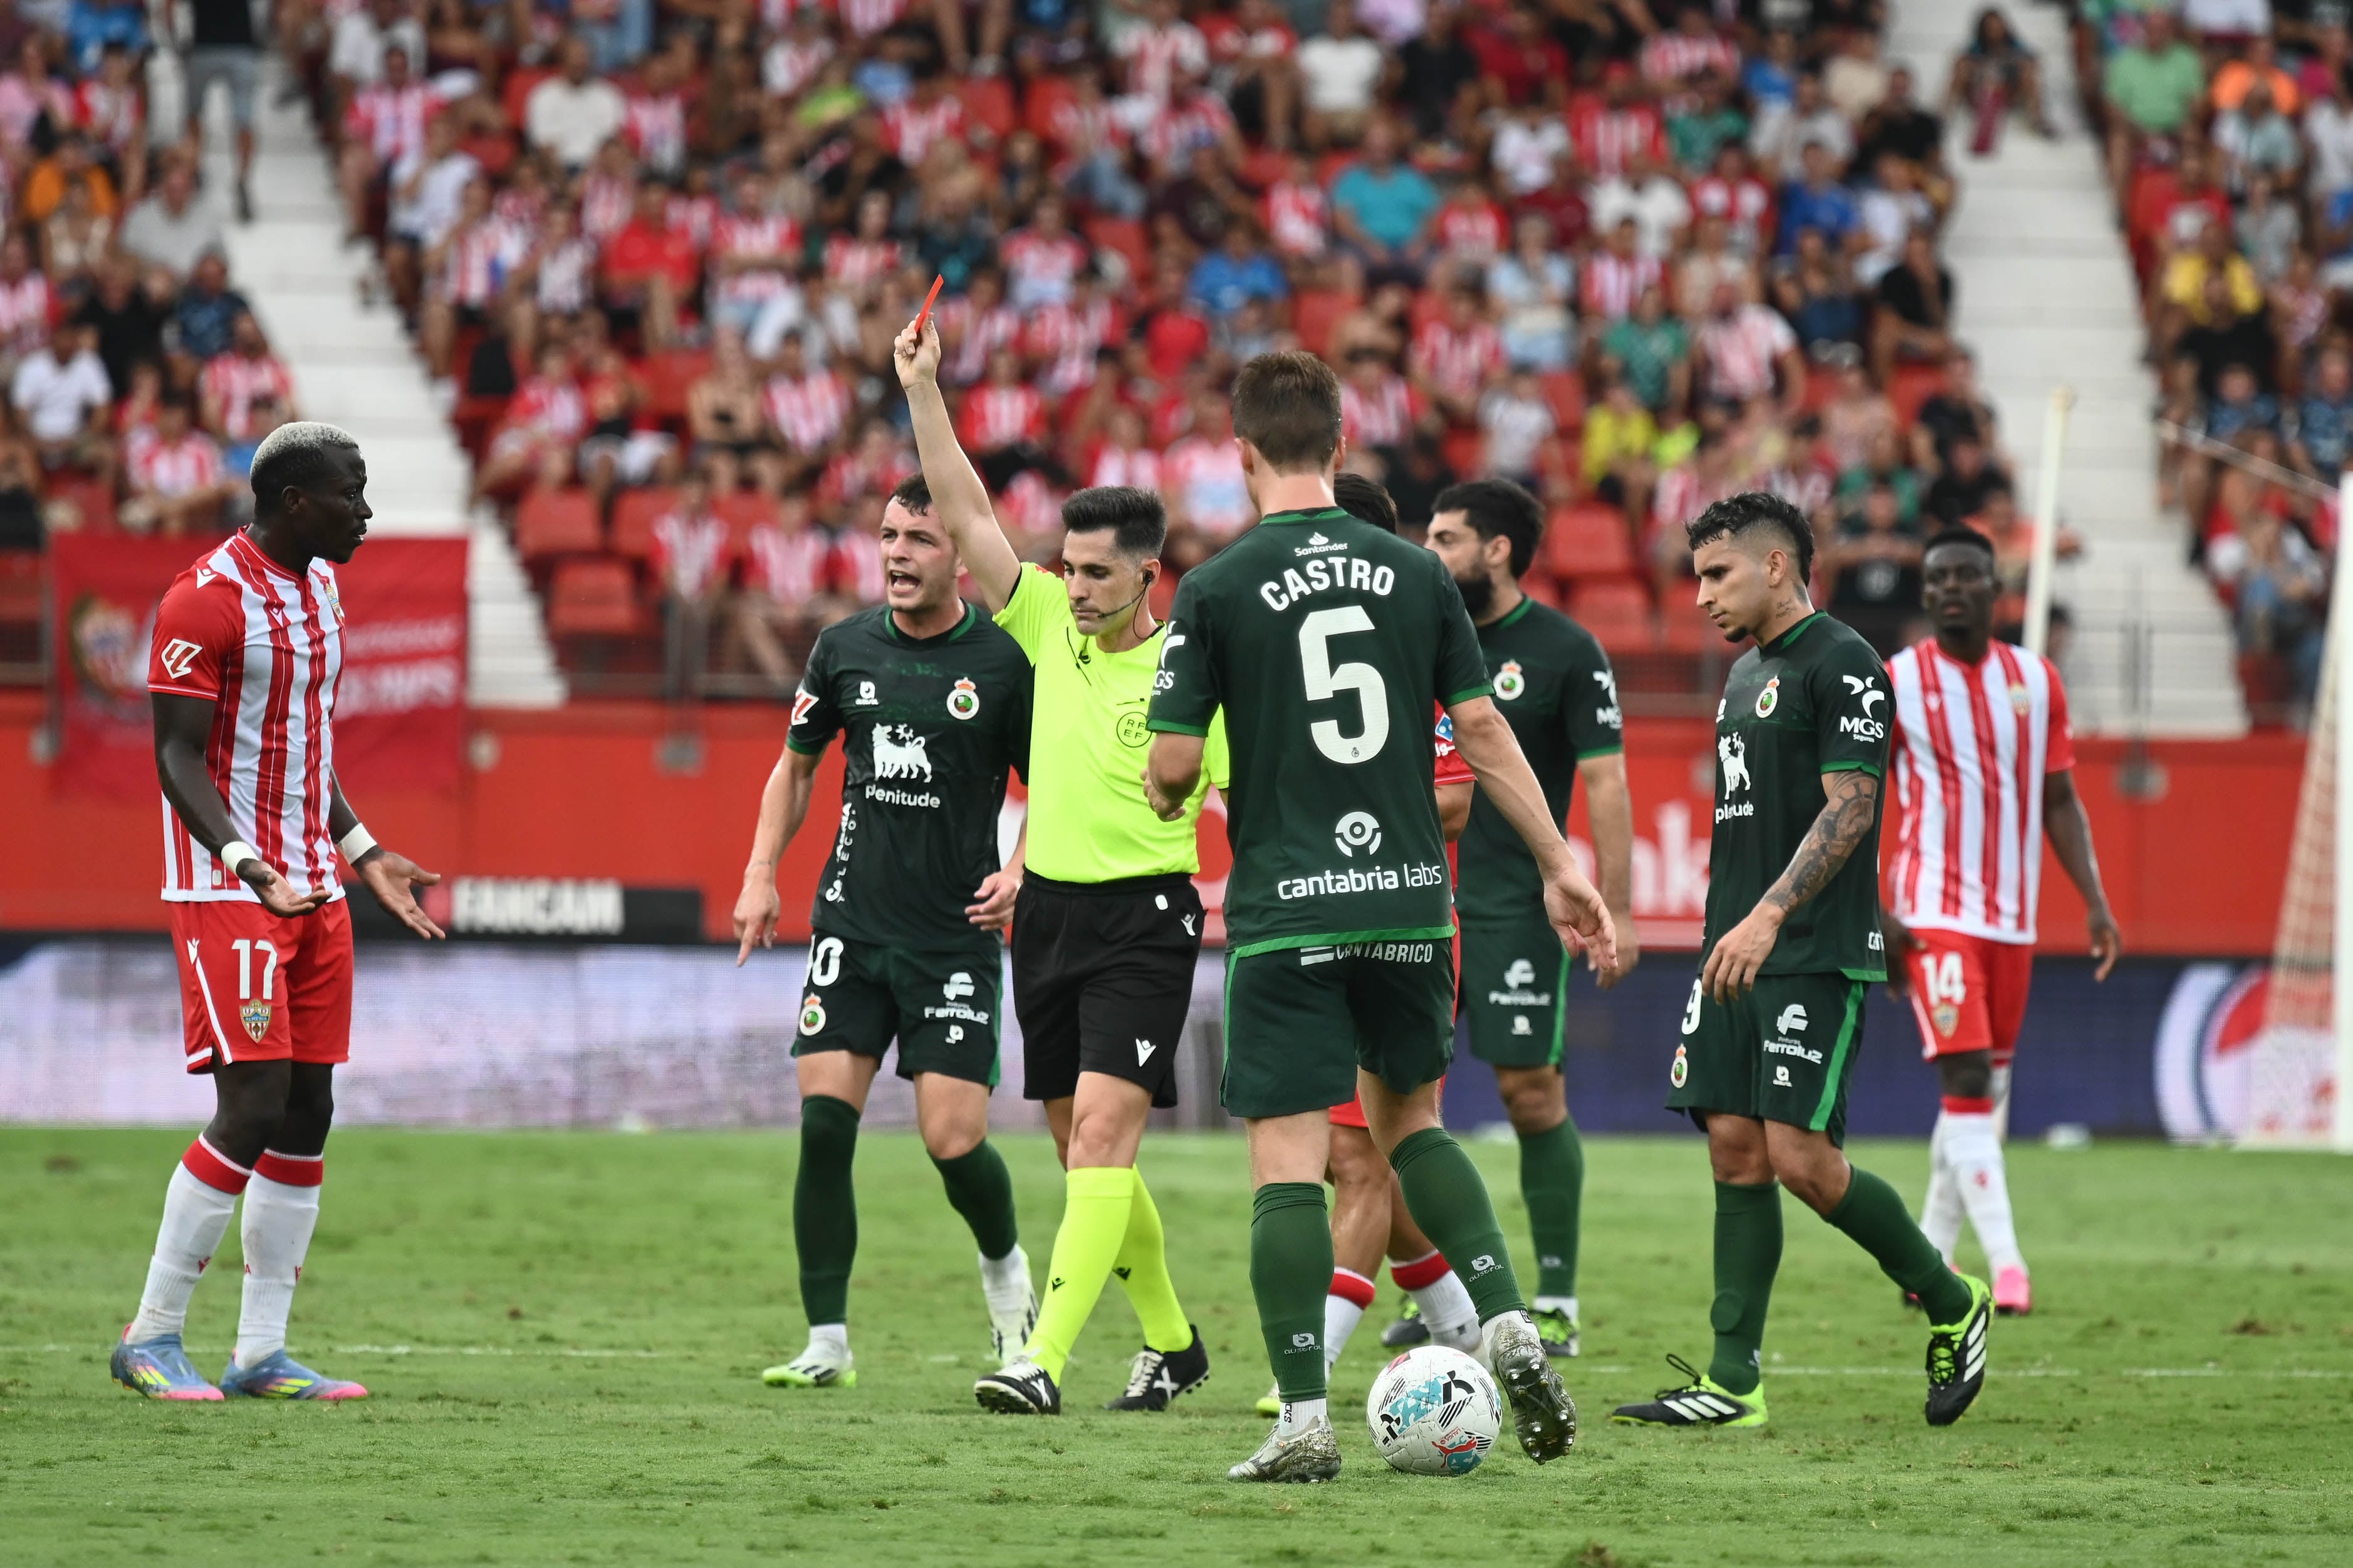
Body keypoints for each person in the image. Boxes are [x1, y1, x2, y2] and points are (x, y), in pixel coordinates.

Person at [1144, 349, 1614, 1482]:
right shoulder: (1418, 575)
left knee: (1287, 1161)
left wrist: (1173, 785)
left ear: (1241, 454)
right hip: (1410, 900)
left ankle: (1303, 1418)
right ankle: (1506, 1320)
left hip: (1287, 908)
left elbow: (1171, 767)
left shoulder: (1214, 586)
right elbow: (1483, 731)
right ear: (1341, 445)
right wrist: (1559, 863)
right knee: (1413, 1125)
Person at [892, 315, 1220, 1418]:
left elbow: (1253, 792)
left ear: (1148, 574)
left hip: (1147, 920)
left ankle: (1040, 1359)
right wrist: (924, 390)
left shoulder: (1191, 671)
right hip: (1048, 919)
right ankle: (1171, 1342)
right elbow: (966, 512)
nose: (1072, 588)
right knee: (1085, 1153)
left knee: (1102, 1138)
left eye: (1094, 572)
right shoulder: (1045, 626)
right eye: (1068, 568)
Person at [1612, 491, 1991, 1433]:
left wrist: (1770, 915)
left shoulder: (1844, 662)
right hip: (1732, 947)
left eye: (1717, 573)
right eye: (1697, 576)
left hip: (1808, 949)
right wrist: (1732, 927)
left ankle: (1952, 1301)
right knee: (1732, 1148)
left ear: (1775, 565)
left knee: (1802, 1160)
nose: (1700, 594)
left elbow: (1851, 806)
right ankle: (1731, 1379)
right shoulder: (1744, 674)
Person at [113, 422, 444, 1402]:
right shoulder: (203, 598)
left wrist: (362, 850)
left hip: (313, 888)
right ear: (295, 501)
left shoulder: (322, 588)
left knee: (308, 1108)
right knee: (252, 1101)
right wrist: (248, 863)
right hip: (230, 889)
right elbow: (176, 755)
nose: (366, 512)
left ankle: (260, 1349)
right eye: (352, 492)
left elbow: (301, 745)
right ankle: (150, 1334)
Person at [733, 474, 1038, 1393]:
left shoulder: (1004, 662)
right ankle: (825, 1339)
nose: (897, 554)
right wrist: (759, 872)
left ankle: (1005, 1272)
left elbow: (1055, 782)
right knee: (825, 1123)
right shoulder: (843, 647)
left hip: (952, 938)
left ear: (961, 557)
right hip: (851, 926)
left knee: (952, 1140)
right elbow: (795, 769)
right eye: (889, 536)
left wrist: (1020, 869)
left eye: (920, 539)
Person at [1247, 469, 1484, 1420]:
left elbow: (1456, 796)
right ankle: (1470, 1322)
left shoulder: (1405, 651)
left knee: (1358, 1157)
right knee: (1359, 1157)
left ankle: (1306, 1373)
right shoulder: (1289, 662)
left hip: (1395, 925)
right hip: (1308, 919)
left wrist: (1345, 808)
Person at [1384, 478, 1637, 1360]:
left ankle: (1556, 1296)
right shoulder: (1409, 631)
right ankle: (1435, 1289)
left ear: (1496, 549)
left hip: (1511, 907)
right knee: (1405, 1103)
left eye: (1446, 537)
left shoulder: (1565, 649)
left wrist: (1619, 905)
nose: (1429, 551)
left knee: (1530, 1093)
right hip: (1413, 896)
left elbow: (1605, 780)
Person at [1884, 527, 2121, 1319]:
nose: (1950, 588)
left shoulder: (2035, 680)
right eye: (1937, 578)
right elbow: (1854, 796)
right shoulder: (1897, 681)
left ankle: (1927, 1251)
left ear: (1995, 589)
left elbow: (2057, 797)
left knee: (1979, 1093)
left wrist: (2093, 899)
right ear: (1925, 594)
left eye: (1965, 575)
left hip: (2011, 920)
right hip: (1931, 911)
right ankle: (2008, 1265)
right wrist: (1874, 908)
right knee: (1966, 1083)